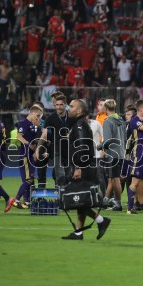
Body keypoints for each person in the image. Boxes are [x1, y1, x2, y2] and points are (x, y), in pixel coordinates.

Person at [61, 99, 111, 240]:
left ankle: (101, 220)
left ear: (79, 111)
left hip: (83, 167)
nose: (68, 108)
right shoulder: (79, 123)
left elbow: (82, 147)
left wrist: (78, 167)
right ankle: (78, 232)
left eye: (71, 106)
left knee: (79, 199)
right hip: (85, 166)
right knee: (81, 200)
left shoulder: (79, 125)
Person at [5, 105, 43, 212]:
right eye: (38, 115)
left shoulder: (34, 124)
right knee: (29, 179)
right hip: (25, 155)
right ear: (32, 113)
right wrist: (30, 144)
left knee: (27, 180)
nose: (38, 117)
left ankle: (26, 201)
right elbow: (19, 136)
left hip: (30, 155)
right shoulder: (23, 123)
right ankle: (15, 199)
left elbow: (35, 138)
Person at [36, 93, 70, 187]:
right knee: (60, 177)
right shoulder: (50, 118)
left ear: (65, 105)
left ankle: (67, 199)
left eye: (61, 105)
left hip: (70, 151)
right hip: (57, 151)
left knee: (69, 176)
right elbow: (44, 135)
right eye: (57, 105)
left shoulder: (71, 116)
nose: (59, 107)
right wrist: (38, 149)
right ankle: (59, 199)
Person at [98, 99, 126, 211]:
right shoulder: (121, 119)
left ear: (105, 108)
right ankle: (106, 200)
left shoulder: (108, 121)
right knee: (113, 178)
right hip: (121, 152)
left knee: (115, 179)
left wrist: (99, 146)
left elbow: (108, 140)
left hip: (112, 154)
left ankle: (118, 204)